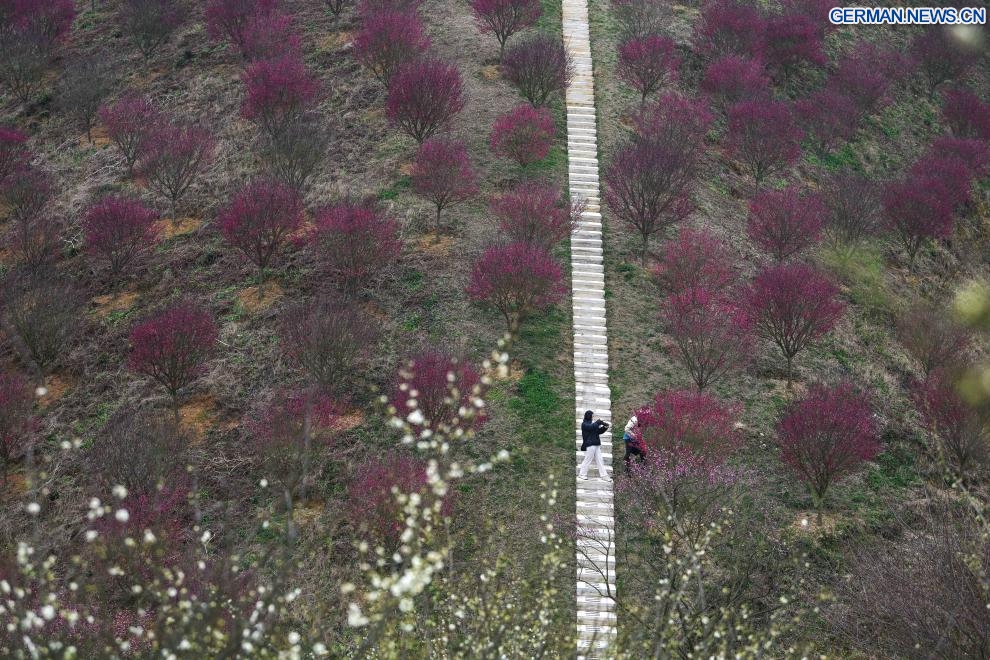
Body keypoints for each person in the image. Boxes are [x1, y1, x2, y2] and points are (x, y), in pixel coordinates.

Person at [579, 410, 611, 481]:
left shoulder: (593, 424)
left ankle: (604, 475)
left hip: (596, 444)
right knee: (588, 460)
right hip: (589, 445)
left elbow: (598, 431)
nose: (593, 417)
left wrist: (605, 427)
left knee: (600, 460)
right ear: (589, 416)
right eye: (592, 416)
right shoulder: (584, 424)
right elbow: (591, 427)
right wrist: (598, 422)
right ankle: (582, 474)